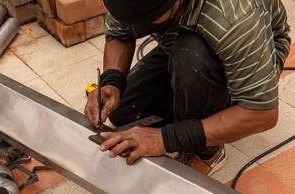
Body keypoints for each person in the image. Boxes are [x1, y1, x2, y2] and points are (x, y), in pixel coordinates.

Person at [84, 0, 291, 175]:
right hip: (183, 43)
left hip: (251, 51)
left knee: (190, 55)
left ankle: (208, 151)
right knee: (123, 112)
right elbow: (120, 33)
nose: (137, 31)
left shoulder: (235, 18)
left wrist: (165, 139)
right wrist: (113, 81)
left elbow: (262, 113)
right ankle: (194, 106)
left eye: (146, 22)